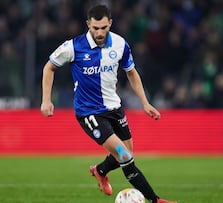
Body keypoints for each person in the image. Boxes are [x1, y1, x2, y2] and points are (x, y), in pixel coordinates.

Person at [40, 4, 176, 203]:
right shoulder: (73, 46)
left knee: (128, 152)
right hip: (89, 112)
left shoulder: (120, 44)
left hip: (114, 107)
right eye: (95, 28)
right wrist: (46, 100)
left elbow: (131, 72)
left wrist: (145, 103)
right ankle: (155, 200)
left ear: (110, 23)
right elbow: (48, 68)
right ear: (88, 25)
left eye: (104, 27)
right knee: (124, 156)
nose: (100, 32)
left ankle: (100, 170)